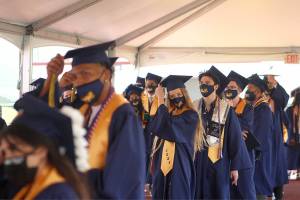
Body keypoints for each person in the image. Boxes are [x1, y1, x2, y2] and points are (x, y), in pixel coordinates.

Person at [39, 42, 146, 199]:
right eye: (75, 76)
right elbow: (46, 124)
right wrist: (54, 81)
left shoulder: (122, 115)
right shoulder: (83, 110)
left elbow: (122, 183)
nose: (79, 81)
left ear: (106, 75)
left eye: (86, 73)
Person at [0, 95, 90, 199]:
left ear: (41, 150)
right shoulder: (27, 179)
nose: (8, 157)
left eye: (13, 148)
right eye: (4, 150)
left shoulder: (59, 194)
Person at [193, 66, 251, 199]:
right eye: (201, 83)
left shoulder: (226, 109)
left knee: (218, 193)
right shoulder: (195, 107)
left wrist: (235, 167)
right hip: (198, 160)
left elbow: (235, 138)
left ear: (215, 86)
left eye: (207, 83)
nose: (204, 86)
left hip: (218, 161)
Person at [150, 75, 198, 199]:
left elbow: (168, 129)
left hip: (180, 164)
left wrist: (161, 100)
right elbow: (156, 128)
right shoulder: (168, 114)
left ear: (184, 94)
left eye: (178, 94)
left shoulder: (191, 116)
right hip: (162, 165)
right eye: (171, 96)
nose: (176, 98)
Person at [224, 71, 257, 199]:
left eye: (233, 88)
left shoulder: (247, 108)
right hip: (228, 153)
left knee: (245, 188)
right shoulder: (221, 106)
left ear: (239, 90)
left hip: (244, 153)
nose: (229, 90)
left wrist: (231, 110)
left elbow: (243, 129)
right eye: (227, 87)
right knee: (229, 189)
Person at [246, 74, 274, 199]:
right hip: (253, 150)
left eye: (250, 88)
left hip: (259, 153)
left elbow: (260, 134)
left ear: (258, 91)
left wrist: (252, 149)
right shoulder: (254, 107)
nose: (248, 91)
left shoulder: (263, 109)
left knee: (258, 183)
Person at [264, 73, 289, 199]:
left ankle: (278, 195)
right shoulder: (258, 103)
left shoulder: (278, 105)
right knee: (265, 169)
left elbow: (284, 98)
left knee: (277, 171)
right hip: (264, 141)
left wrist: (275, 83)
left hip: (276, 141)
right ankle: (267, 195)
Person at [141, 73, 162, 185]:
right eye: (147, 83)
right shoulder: (141, 99)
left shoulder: (162, 100)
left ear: (157, 85)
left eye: (152, 84)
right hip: (143, 138)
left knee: (153, 163)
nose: (149, 85)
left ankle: (152, 184)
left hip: (156, 137)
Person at [286, 91, 300, 179]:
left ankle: (297, 175)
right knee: (293, 157)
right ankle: (292, 175)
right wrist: (291, 137)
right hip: (294, 137)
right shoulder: (290, 110)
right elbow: (288, 125)